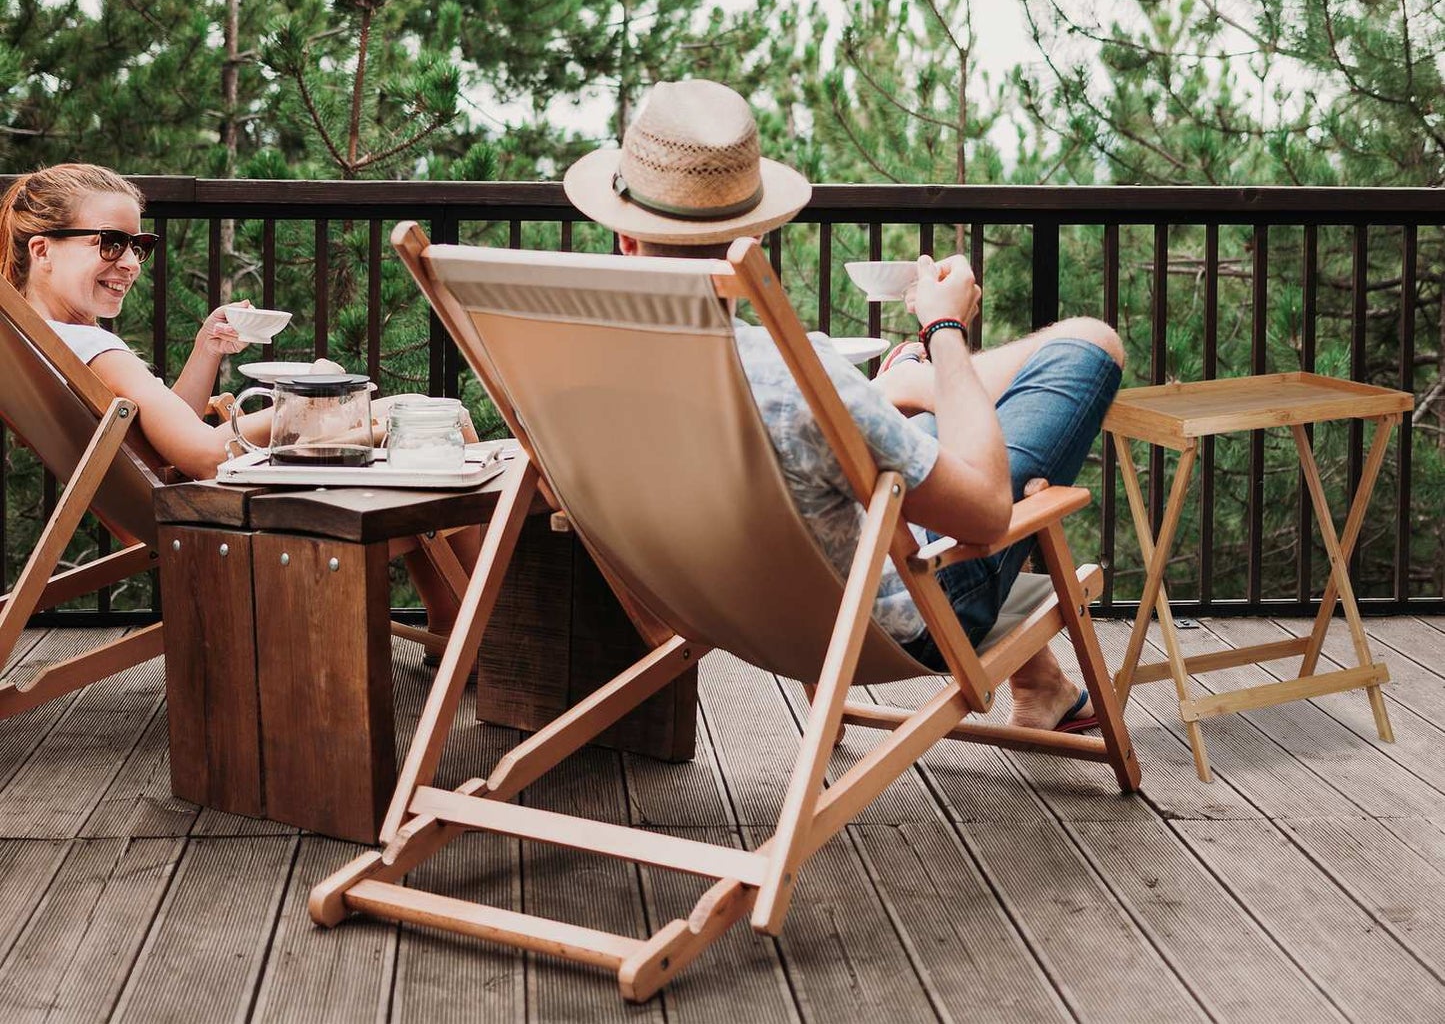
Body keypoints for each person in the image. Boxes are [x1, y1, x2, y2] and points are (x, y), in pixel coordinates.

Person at [563, 79, 1125, 733]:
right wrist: (943, 329)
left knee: (900, 415)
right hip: (901, 614)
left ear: (627, 240)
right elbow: (988, 509)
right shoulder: (800, 378)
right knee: (1090, 344)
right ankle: (919, 374)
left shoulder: (577, 369)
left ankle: (909, 387)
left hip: (720, 607)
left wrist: (886, 396)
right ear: (755, 235)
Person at [0, 162, 476, 645]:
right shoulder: (97, 350)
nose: (131, 263)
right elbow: (205, 456)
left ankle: (452, 628)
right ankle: (483, 639)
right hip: (216, 515)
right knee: (441, 423)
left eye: (139, 245)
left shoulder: (41, 342)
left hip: (169, 501)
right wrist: (310, 406)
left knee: (416, 423)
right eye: (111, 242)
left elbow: (161, 436)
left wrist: (207, 345)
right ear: (43, 250)